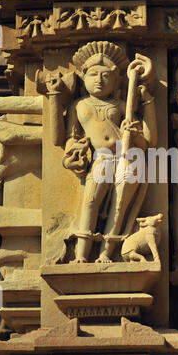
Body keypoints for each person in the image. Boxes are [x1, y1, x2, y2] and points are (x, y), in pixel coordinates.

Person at [61, 41, 157, 263]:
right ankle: (81, 255)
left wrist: (133, 131)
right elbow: (71, 139)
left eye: (105, 76)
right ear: (83, 78)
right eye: (93, 75)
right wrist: (72, 157)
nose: (99, 80)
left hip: (127, 158)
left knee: (119, 206)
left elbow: (149, 142)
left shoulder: (123, 106)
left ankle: (106, 253)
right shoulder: (79, 105)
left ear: (116, 79)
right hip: (101, 159)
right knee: (90, 201)